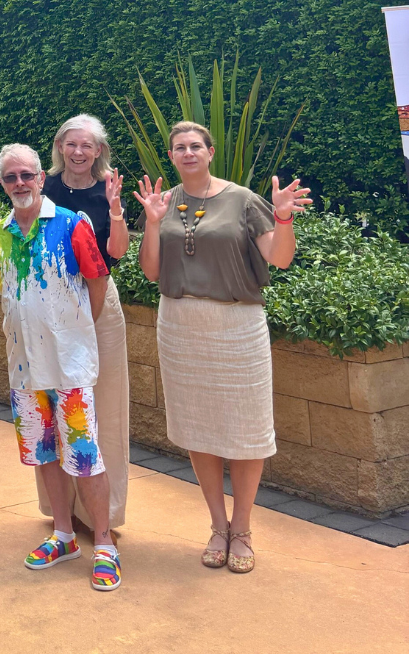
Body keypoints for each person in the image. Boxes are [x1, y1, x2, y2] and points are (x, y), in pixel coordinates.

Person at [135, 122, 310, 574]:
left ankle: (244, 528)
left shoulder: (244, 200)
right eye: (180, 148)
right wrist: (152, 223)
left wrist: (284, 216)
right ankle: (217, 525)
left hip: (236, 324)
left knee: (247, 430)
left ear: (210, 152)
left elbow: (281, 258)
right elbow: (151, 272)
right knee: (198, 427)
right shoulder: (163, 201)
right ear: (171, 156)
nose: (188, 152)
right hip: (179, 323)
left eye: (196, 146)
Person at [0, 145, 121, 592]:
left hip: (69, 366)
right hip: (24, 369)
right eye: (11, 178)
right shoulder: (2, 232)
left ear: (41, 178)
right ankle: (63, 535)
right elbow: (5, 272)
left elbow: (97, 283)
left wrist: (77, 333)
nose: (20, 183)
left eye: (27, 175)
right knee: (44, 454)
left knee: (85, 457)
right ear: (4, 185)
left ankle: (104, 544)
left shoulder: (72, 224)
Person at [43, 114, 130, 532]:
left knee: (104, 407)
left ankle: (104, 515)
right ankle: (64, 512)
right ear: (60, 147)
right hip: (53, 305)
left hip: (99, 302)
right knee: (58, 406)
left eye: (87, 146)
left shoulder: (107, 191)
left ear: (99, 152)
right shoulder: (45, 187)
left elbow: (118, 252)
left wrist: (115, 211)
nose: (78, 152)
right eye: (71, 144)